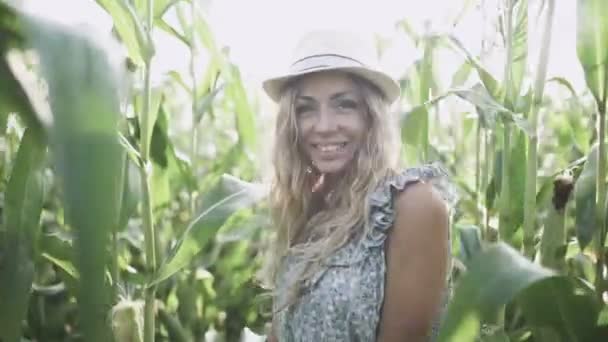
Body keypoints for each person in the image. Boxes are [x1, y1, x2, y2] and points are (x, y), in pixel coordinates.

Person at [258, 29, 458, 342]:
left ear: (371, 115)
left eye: (344, 105)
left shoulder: (413, 207)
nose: (323, 126)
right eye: (306, 108)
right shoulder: (310, 207)